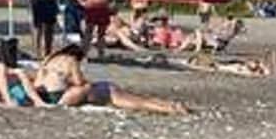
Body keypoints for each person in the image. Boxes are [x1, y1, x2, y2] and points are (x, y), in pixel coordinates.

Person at [35, 44, 189, 115]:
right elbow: (80, 82)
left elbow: (40, 81)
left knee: (134, 101)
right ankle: (169, 107)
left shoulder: (48, 60)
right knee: (137, 101)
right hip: (96, 90)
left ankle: (169, 106)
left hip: (48, 96)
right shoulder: (70, 60)